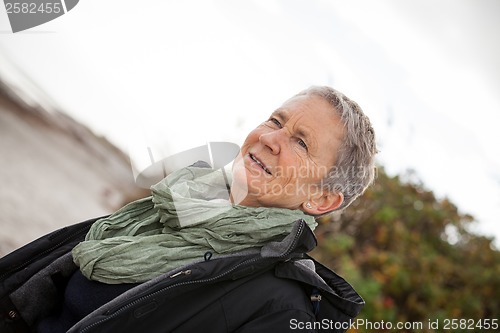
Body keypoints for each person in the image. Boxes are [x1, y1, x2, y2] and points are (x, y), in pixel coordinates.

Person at [2, 86, 377, 333]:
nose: (269, 138)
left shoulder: (281, 310)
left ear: (322, 200)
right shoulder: (173, 204)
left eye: (300, 143)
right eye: (276, 121)